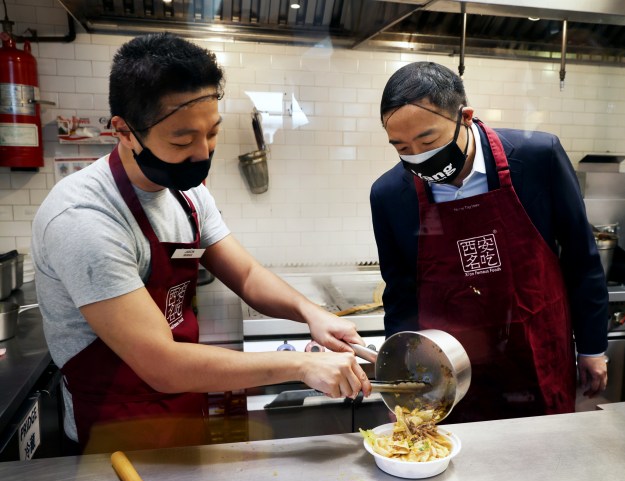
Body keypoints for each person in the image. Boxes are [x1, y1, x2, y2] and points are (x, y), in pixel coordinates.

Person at [31, 33, 371, 454]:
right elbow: (162, 364)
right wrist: (302, 364)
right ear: (123, 130)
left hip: (184, 413)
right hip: (112, 434)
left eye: (211, 133)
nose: (201, 153)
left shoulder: (187, 194)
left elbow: (245, 274)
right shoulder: (85, 218)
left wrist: (312, 314)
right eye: (180, 140)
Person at [370, 62, 609, 423]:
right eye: (401, 147)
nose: (417, 156)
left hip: (537, 351)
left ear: (465, 117)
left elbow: (581, 257)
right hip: (452, 368)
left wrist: (592, 347)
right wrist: (400, 378)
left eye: (428, 141)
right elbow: (401, 293)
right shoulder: (389, 195)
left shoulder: (538, 157)